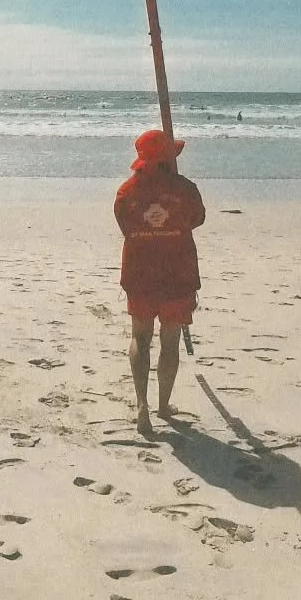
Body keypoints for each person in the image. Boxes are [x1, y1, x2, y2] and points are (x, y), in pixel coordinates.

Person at [114, 127, 206, 437]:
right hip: (177, 275)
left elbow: (125, 226)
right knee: (170, 341)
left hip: (140, 275)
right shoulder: (186, 190)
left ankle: (142, 404)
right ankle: (163, 406)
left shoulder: (126, 192)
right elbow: (197, 219)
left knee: (140, 338)